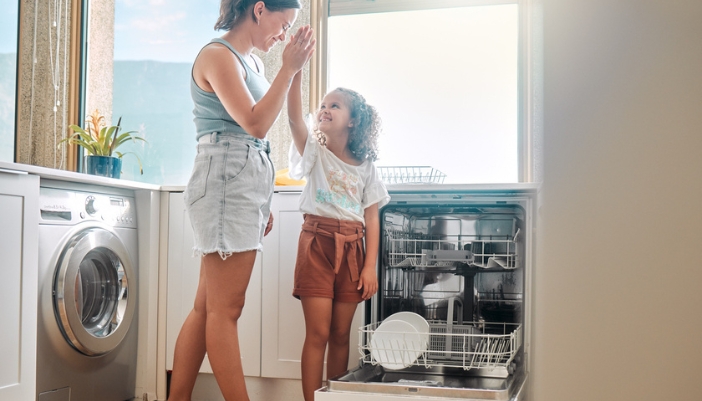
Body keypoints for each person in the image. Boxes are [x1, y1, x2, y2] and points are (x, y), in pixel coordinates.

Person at [168, 1, 315, 400]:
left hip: (241, 185)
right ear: (259, 9)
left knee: (207, 308)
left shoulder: (254, 65)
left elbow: (259, 138)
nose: (283, 35)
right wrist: (289, 66)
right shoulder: (217, 56)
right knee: (225, 310)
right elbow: (254, 122)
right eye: (282, 24)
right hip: (224, 184)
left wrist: (263, 198)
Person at [287, 73, 391, 401]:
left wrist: (369, 266)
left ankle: (333, 397)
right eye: (322, 105)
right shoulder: (314, 151)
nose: (325, 108)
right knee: (317, 333)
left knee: (341, 334)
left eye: (335, 105)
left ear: (353, 121)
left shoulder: (367, 167)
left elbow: (372, 217)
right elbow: (292, 117)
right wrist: (295, 73)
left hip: (352, 250)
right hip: (317, 243)